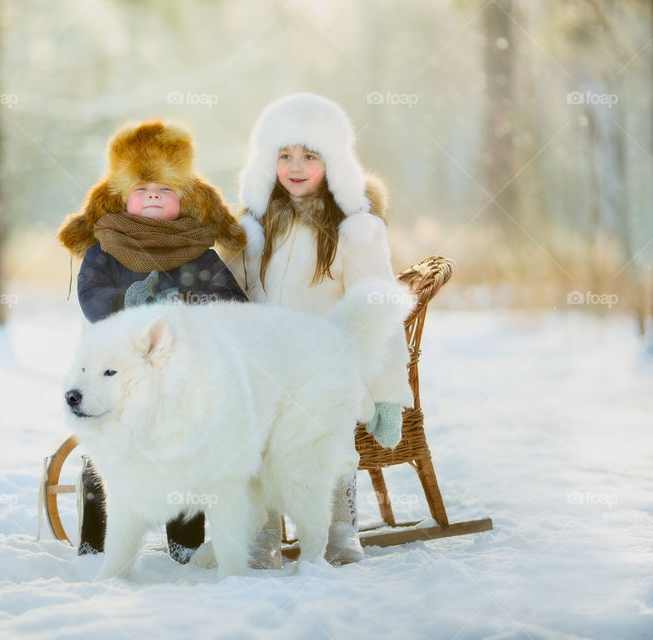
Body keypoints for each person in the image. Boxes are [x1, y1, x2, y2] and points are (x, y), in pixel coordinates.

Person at [226, 92, 413, 568]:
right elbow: (229, 296)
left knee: (324, 435)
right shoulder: (251, 229)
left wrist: (389, 392)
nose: (296, 165)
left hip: (328, 365)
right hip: (264, 364)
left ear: (333, 164)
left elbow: (378, 309)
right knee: (255, 435)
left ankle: (339, 527)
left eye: (310, 155)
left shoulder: (356, 231)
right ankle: (263, 530)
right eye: (284, 154)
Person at [58, 119, 248, 562]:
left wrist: (195, 308)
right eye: (143, 191)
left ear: (183, 200)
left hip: (182, 377)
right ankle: (97, 542)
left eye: (165, 190)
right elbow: (91, 299)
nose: (154, 196)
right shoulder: (104, 249)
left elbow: (232, 304)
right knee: (105, 453)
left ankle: (185, 543)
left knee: (183, 453)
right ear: (122, 199)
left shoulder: (199, 252)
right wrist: (128, 299)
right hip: (115, 376)